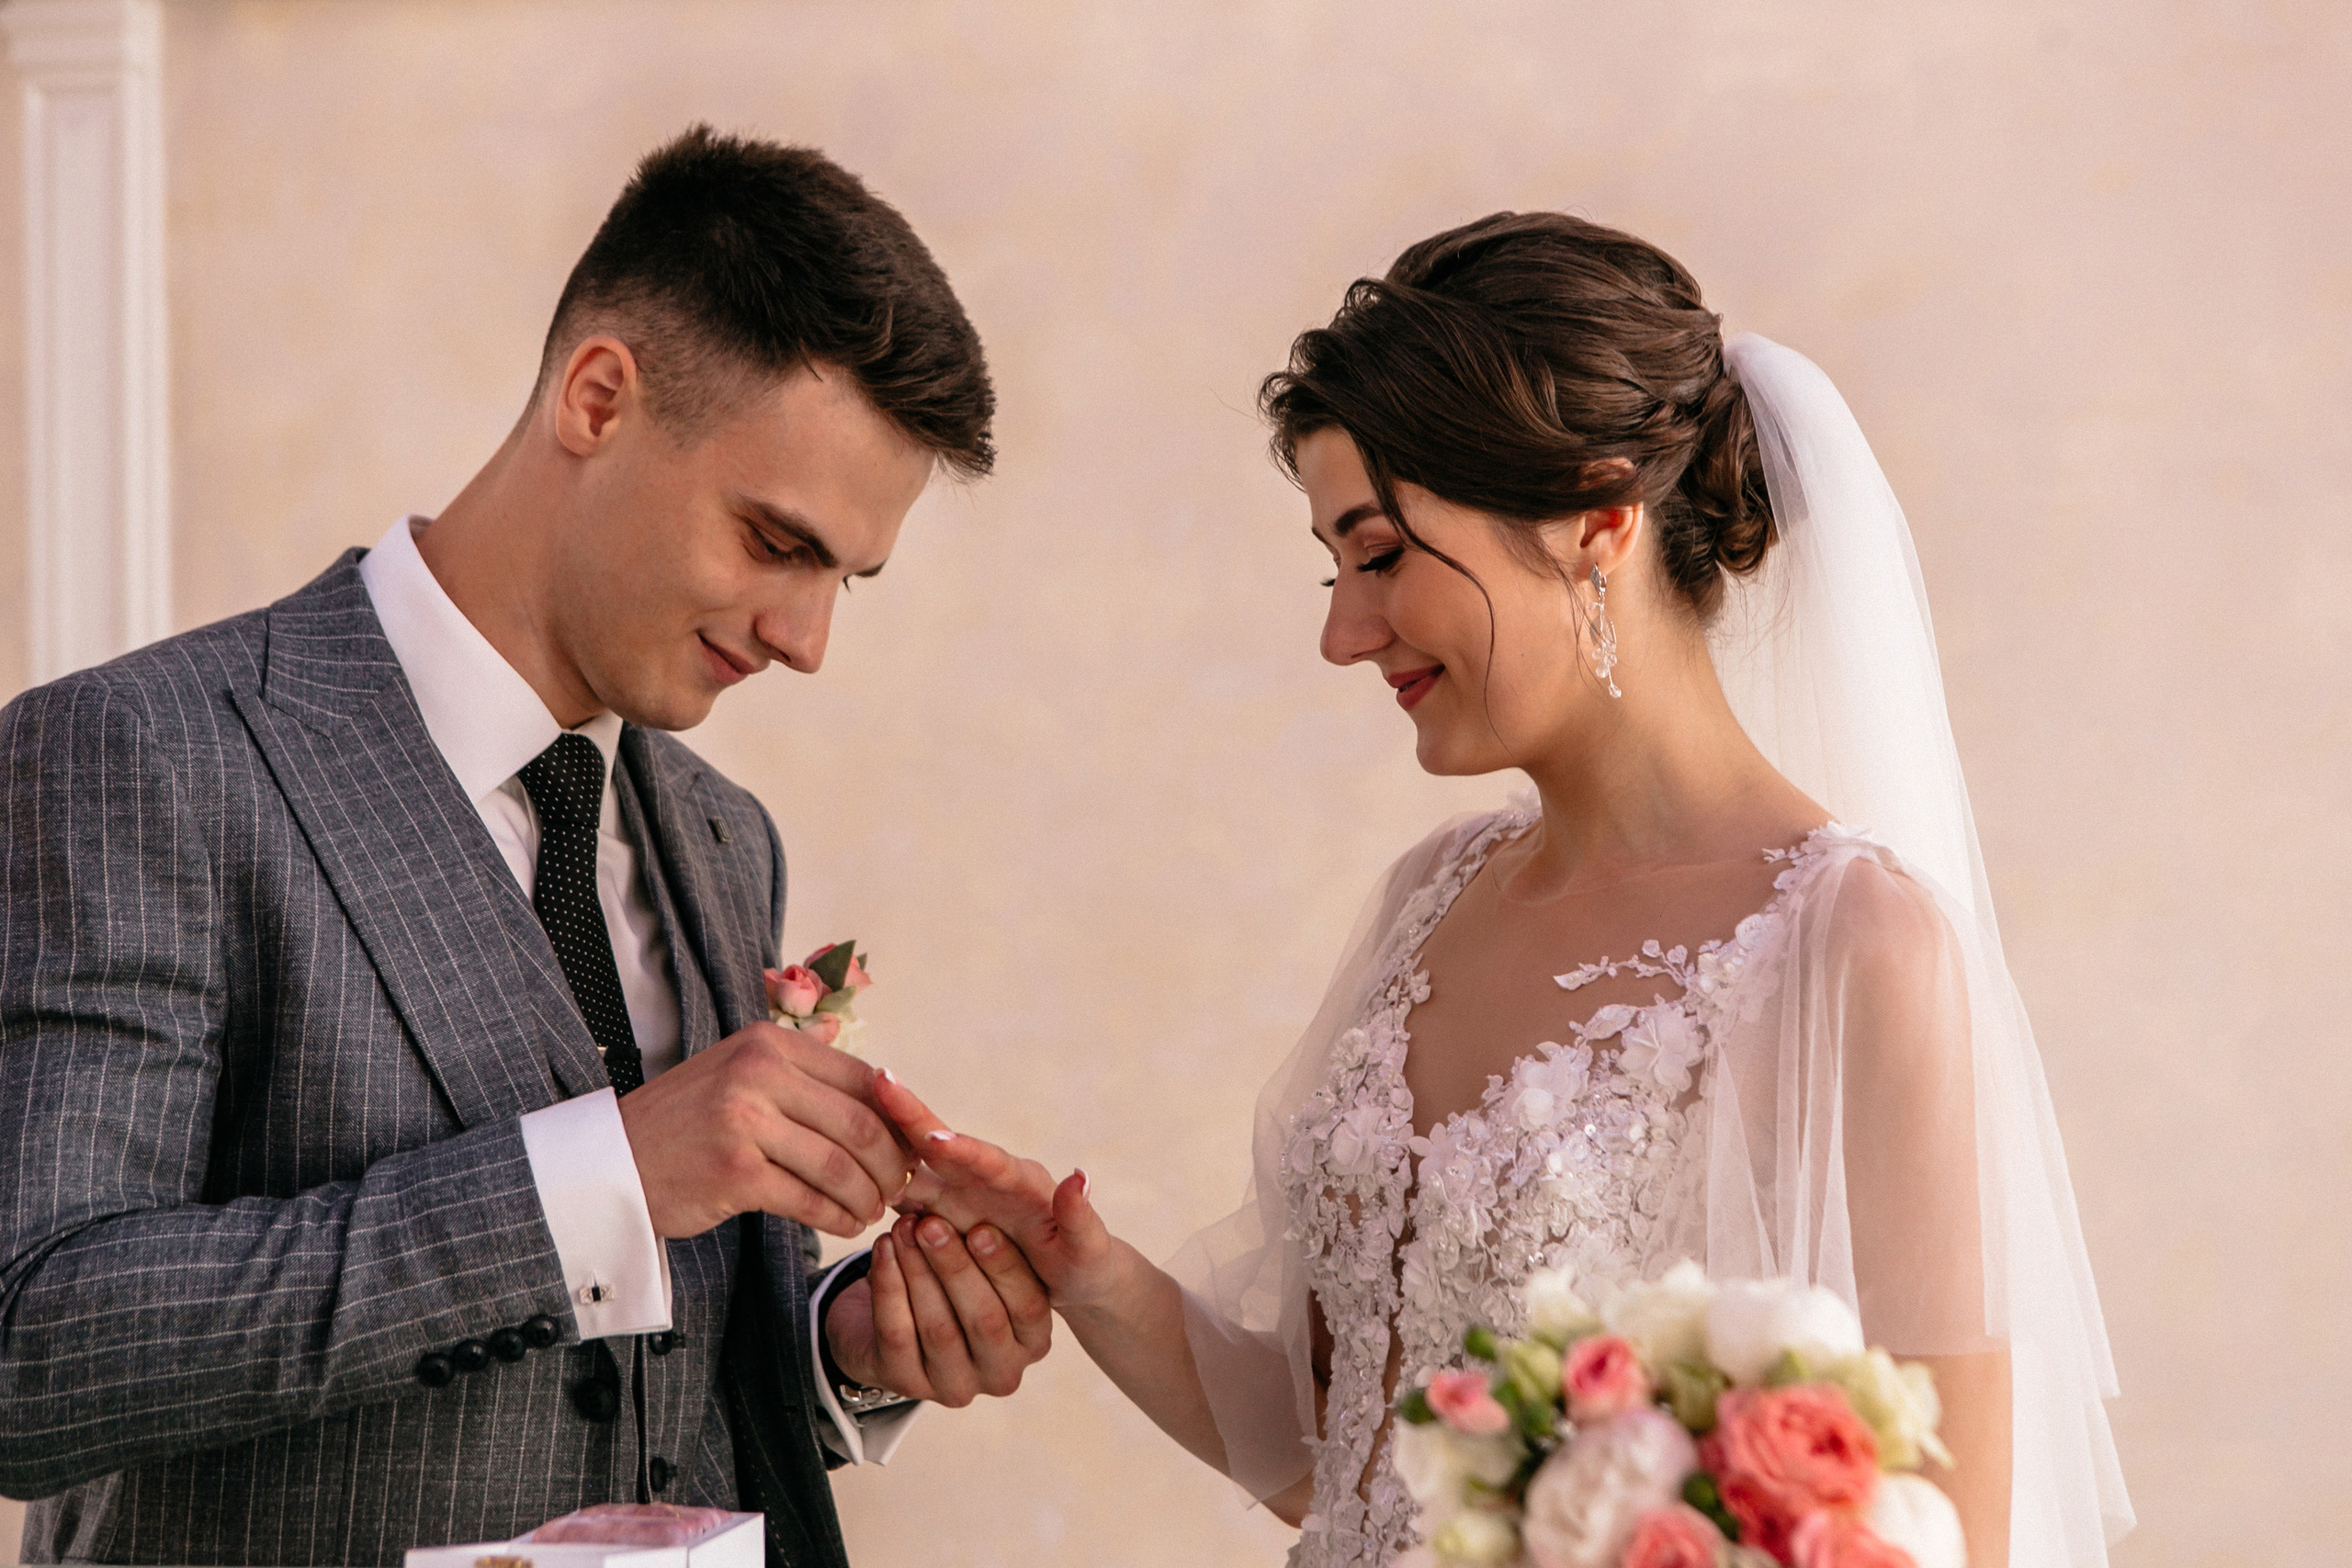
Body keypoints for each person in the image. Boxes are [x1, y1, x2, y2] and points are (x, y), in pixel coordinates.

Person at [876, 213, 2132, 1566]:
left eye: (1380, 555)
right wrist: (1085, 1272)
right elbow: (1354, 1449)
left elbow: (1942, 1533)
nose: (1342, 633)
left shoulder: (1853, 948)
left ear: (1596, 520)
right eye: (1333, 569)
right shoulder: (1434, 894)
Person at [0, 126, 1052, 1568]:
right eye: (776, 543)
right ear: (597, 396)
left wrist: (847, 1351)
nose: (808, 641)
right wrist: (594, 1175)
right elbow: (36, 1346)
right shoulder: (144, 755)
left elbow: (644, 1377)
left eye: (847, 580)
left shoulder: (724, 838)